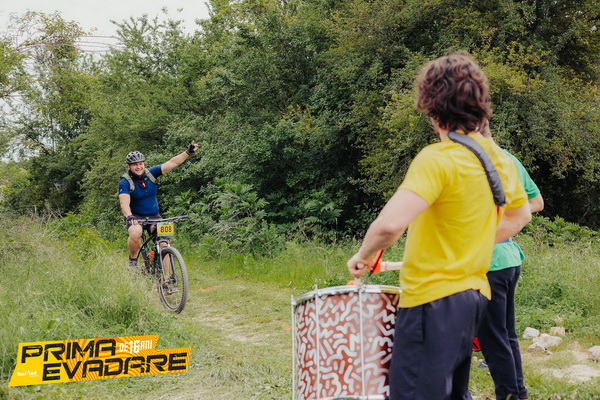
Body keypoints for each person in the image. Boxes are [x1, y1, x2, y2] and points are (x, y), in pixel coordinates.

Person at [347, 53, 531, 400]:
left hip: (431, 302)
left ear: (431, 107)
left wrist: (363, 255)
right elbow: (520, 217)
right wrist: (471, 242)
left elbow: (389, 226)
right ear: (480, 104)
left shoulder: (437, 158)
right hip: (474, 298)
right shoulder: (498, 160)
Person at [476, 124, 544, 400]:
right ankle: (518, 393)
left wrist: (496, 223)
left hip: (489, 260)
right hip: (508, 259)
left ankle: (510, 395)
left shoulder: (478, 162)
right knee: (506, 334)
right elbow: (536, 203)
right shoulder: (508, 159)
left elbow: (536, 203)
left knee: (493, 339)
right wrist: (510, 217)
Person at [118, 141, 198, 270]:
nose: (138, 167)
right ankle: (133, 260)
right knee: (135, 232)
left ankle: (167, 279)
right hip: (136, 218)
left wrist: (188, 152)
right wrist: (129, 216)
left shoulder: (151, 173)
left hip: (154, 216)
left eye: (140, 164)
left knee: (164, 244)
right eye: (135, 165)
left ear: (144, 164)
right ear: (129, 166)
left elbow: (172, 163)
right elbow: (124, 203)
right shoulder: (125, 182)